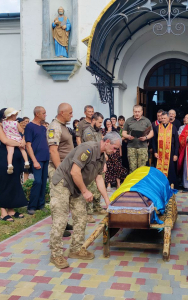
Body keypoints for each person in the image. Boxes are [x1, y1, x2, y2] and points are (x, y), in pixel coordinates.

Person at [49, 132, 121, 268]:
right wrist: (85, 191)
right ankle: (56, 254)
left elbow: (99, 178)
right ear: (106, 142)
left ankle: (76, 249)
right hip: (62, 184)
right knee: (61, 219)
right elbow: (74, 172)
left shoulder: (102, 157)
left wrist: (107, 201)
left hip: (76, 187)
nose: (115, 151)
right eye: (115, 148)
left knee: (82, 217)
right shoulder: (87, 149)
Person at [0, 108, 28, 221]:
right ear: (4, 116)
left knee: (14, 182)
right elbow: (6, 141)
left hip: (15, 159)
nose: (15, 117)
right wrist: (20, 143)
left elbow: (22, 134)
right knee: (5, 183)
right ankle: (3, 211)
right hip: (4, 159)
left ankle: (11, 209)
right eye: (13, 115)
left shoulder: (13, 125)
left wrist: (23, 140)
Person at [47, 103, 74, 236]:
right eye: (70, 113)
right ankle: (59, 227)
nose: (72, 115)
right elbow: (53, 150)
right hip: (59, 169)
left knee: (65, 198)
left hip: (66, 167)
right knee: (59, 199)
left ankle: (64, 222)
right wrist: (60, 171)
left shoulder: (63, 126)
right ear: (62, 112)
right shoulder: (55, 127)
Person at [25, 106, 50, 215]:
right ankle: (32, 206)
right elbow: (28, 145)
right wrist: (34, 160)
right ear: (37, 114)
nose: (45, 115)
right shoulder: (30, 127)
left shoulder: (43, 128)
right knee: (37, 181)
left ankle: (41, 204)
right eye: (44, 113)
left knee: (44, 182)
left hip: (46, 158)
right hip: (37, 158)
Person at [82, 112, 106, 221]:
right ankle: (88, 213)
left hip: (99, 161)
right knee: (90, 187)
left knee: (98, 186)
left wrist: (104, 162)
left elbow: (102, 146)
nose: (101, 124)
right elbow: (92, 148)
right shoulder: (88, 132)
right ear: (93, 120)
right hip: (90, 162)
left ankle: (97, 206)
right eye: (99, 122)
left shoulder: (98, 131)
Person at [122, 105, 154, 173]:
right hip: (131, 147)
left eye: (138, 111)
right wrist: (128, 136)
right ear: (133, 112)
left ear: (142, 112)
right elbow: (123, 133)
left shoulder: (146, 121)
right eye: (135, 111)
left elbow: (151, 133)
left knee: (141, 169)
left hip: (143, 147)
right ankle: (133, 183)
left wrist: (145, 138)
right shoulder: (128, 120)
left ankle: (141, 183)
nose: (137, 113)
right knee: (132, 168)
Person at [152, 112, 179, 187]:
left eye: (164, 118)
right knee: (158, 169)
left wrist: (176, 154)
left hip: (170, 152)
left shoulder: (173, 127)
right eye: (162, 118)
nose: (163, 120)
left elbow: (177, 142)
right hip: (159, 153)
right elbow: (153, 141)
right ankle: (159, 184)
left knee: (171, 169)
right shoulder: (156, 128)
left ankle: (171, 185)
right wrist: (155, 151)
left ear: (168, 119)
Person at [2, 108, 30, 174]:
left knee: (10, 152)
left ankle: (9, 164)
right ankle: (26, 161)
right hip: (18, 138)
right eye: (15, 115)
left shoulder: (4, 122)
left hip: (9, 139)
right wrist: (23, 134)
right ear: (12, 116)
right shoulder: (15, 123)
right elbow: (21, 130)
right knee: (23, 150)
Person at [103, 118, 127, 190]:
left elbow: (118, 142)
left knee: (117, 167)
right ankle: (109, 184)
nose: (109, 125)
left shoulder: (115, 131)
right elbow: (103, 142)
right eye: (107, 124)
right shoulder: (103, 131)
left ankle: (118, 183)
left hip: (115, 152)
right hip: (108, 152)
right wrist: (108, 133)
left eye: (110, 124)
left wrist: (120, 152)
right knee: (109, 168)